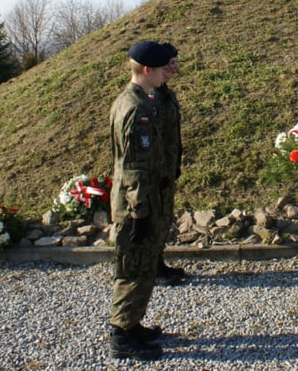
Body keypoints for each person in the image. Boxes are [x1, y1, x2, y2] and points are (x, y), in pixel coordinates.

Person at [108, 40, 172, 361]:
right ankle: (121, 335)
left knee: (143, 267)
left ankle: (132, 324)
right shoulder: (136, 108)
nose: (166, 74)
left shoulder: (135, 100)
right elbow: (134, 167)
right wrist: (140, 213)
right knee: (133, 269)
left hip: (141, 200)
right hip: (137, 204)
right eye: (162, 69)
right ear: (147, 70)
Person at [155, 42, 187, 284]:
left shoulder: (166, 93)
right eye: (171, 64)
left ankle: (158, 262)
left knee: (162, 218)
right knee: (151, 220)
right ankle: (149, 270)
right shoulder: (148, 97)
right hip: (153, 170)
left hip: (166, 169)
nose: (175, 69)